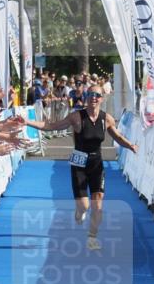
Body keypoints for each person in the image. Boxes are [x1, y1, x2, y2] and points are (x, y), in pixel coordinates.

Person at [24, 84, 138, 250]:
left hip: (97, 163)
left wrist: (131, 146)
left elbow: (118, 137)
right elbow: (52, 126)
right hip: (79, 163)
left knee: (98, 205)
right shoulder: (76, 117)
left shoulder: (107, 119)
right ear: (86, 96)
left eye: (97, 95)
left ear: (102, 98)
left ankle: (92, 237)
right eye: (90, 94)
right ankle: (79, 212)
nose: (93, 97)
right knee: (84, 206)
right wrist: (27, 122)